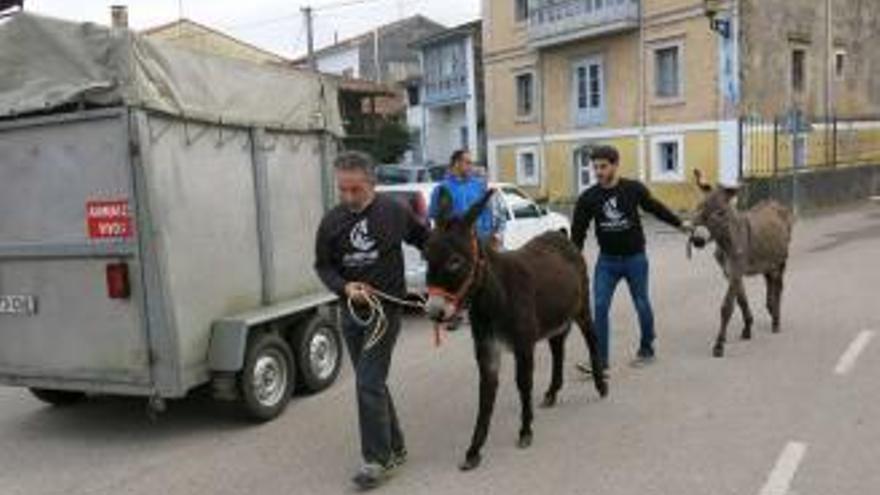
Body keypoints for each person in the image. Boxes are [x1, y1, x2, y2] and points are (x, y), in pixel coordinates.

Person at [314, 151, 429, 491]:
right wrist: (344, 286)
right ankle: (397, 446)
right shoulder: (331, 221)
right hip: (351, 310)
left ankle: (376, 460)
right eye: (343, 190)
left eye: (356, 190)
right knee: (373, 382)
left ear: (372, 184)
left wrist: (449, 265)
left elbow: (426, 240)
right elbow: (323, 266)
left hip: (385, 309)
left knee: (366, 381)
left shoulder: (394, 212)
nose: (348, 197)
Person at [570, 145, 690, 373]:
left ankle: (647, 349)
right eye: (595, 167)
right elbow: (578, 232)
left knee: (641, 303)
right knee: (600, 306)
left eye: (603, 167)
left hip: (635, 259)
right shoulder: (588, 198)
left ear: (615, 165)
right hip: (607, 262)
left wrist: (679, 223)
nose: (598, 172)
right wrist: (572, 261)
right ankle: (601, 360)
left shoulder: (632, 189)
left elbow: (655, 208)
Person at [429, 149, 504, 246]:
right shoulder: (441, 189)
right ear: (457, 163)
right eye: (468, 163)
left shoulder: (479, 185)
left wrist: (497, 234)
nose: (471, 167)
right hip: (457, 245)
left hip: (483, 242)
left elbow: (494, 211)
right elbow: (436, 219)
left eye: (471, 163)